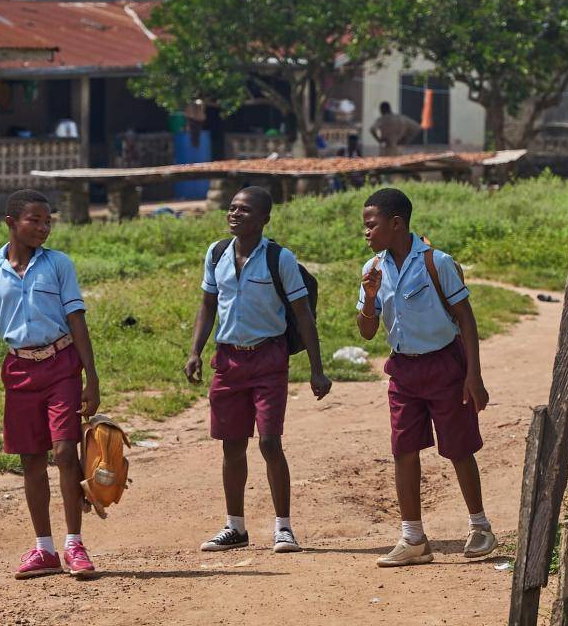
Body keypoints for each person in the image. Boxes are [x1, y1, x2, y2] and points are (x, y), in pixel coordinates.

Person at [185, 186, 332, 553]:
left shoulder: (279, 258)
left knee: (269, 442)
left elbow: (303, 315)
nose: (235, 214)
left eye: (245, 210)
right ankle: (235, 527)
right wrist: (195, 352)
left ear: (264, 219)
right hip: (228, 360)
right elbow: (207, 304)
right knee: (231, 445)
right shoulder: (216, 253)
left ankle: (283, 527)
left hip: (268, 359)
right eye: (232, 208)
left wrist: (317, 369)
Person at [354, 187, 496, 565]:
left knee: (459, 447)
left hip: (444, 366)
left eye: (372, 225)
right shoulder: (373, 271)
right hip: (403, 370)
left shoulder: (437, 262)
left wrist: (473, 375)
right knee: (404, 449)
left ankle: (480, 528)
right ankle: (413, 538)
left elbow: (465, 317)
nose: (366, 233)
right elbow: (367, 332)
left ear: (396, 223)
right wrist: (369, 298)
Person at [0, 188, 102, 580]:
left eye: (47, 221)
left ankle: (74, 544)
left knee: (64, 452)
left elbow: (77, 321)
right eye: (34, 220)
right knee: (31, 460)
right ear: (11, 222)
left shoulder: (58, 265)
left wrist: (91, 378)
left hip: (62, 366)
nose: (43, 228)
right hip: (20, 371)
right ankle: (44, 549)